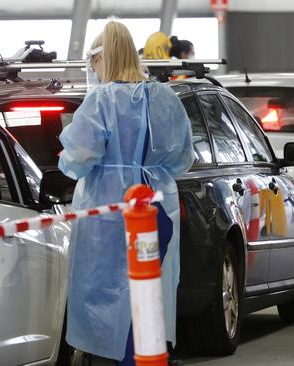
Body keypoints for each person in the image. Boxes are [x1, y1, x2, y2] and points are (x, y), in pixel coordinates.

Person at [58, 21, 194, 364]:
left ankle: (115, 358)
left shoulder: (100, 100)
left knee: (105, 295)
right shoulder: (164, 97)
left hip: (108, 213)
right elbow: (183, 158)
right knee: (149, 293)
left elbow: (78, 158)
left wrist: (67, 158)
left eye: (94, 63)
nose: (93, 71)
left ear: (104, 59)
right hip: (157, 208)